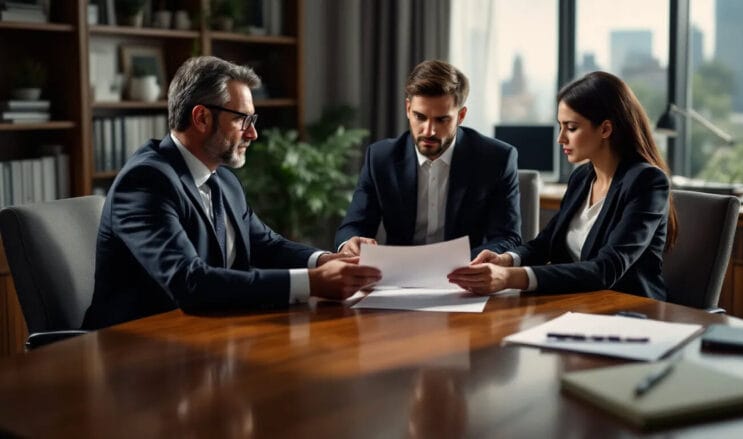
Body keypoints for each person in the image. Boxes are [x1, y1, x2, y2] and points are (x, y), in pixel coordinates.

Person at [82, 56, 381, 329]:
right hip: (133, 351)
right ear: (201, 118)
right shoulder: (146, 182)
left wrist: (324, 260)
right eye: (242, 119)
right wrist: (311, 283)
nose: (253, 134)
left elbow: (267, 245)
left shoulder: (223, 179)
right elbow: (190, 281)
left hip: (204, 338)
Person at [448, 71, 678, 300]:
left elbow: (606, 269)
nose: (561, 138)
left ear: (605, 129)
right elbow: (545, 244)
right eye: (560, 126)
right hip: (577, 304)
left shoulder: (647, 182)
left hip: (630, 311)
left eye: (571, 127)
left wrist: (509, 277)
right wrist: (506, 260)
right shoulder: (582, 178)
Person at [334, 60, 522, 258]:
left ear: (461, 115)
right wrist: (350, 243)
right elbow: (353, 226)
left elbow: (507, 236)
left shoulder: (496, 159)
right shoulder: (380, 158)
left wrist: (477, 261)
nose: (429, 131)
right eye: (420, 117)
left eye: (442, 119)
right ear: (408, 109)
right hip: (398, 276)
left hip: (467, 274)